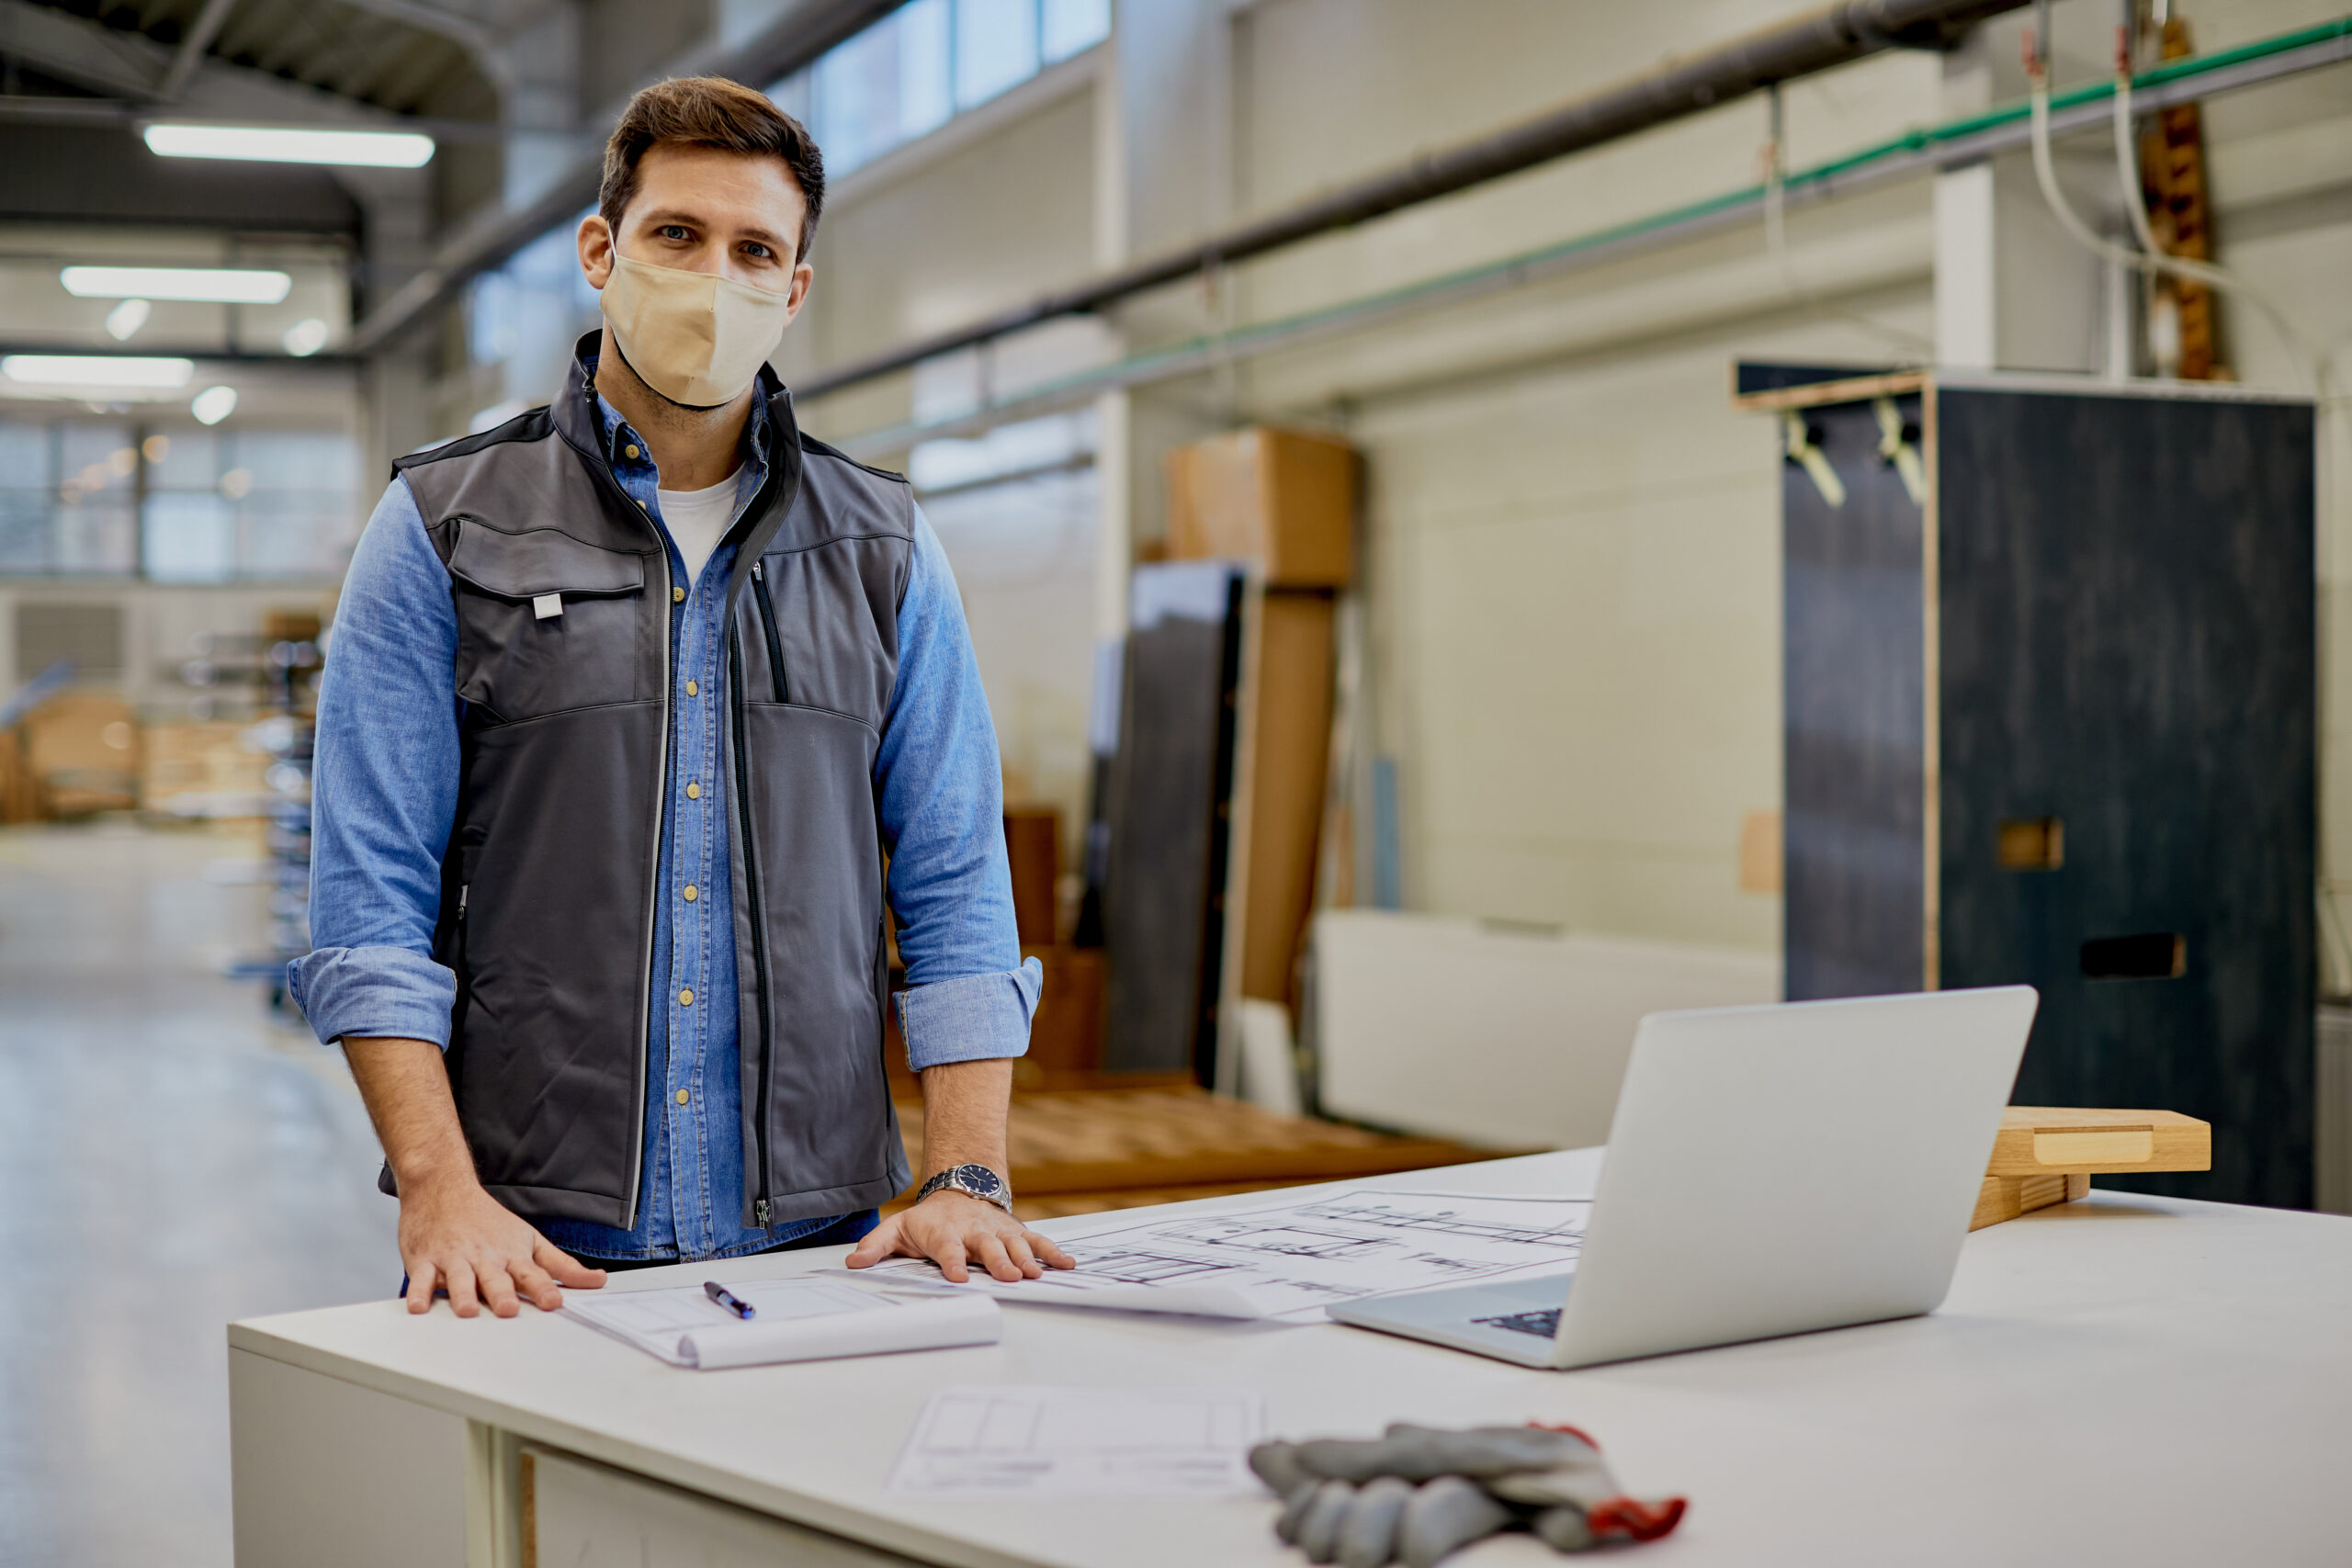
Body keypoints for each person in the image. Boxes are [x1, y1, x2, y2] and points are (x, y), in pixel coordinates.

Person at [292, 75, 1072, 1319]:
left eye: (755, 249)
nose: (717, 276)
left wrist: (966, 1173)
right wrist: (440, 1188)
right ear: (602, 250)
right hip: (528, 1244)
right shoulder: (444, 525)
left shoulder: (882, 545)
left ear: (795, 288)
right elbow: (368, 897)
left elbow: (955, 881)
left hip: (826, 1237)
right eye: (678, 235)